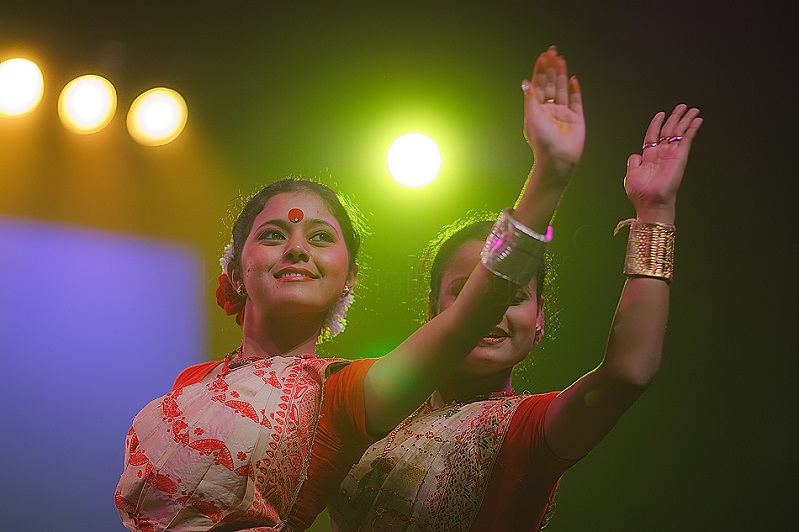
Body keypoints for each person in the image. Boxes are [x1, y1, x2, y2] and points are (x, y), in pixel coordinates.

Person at [114, 44, 585, 531]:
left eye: (320, 238)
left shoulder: (342, 397)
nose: (297, 249)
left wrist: (547, 179)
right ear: (235, 270)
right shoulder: (191, 383)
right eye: (274, 234)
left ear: (348, 279)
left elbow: (469, 316)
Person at [328, 90, 703, 531]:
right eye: (467, 294)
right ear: (436, 312)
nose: (491, 311)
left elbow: (628, 372)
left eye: (515, 297)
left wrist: (656, 214)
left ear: (540, 320)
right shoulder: (372, 402)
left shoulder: (527, 431)